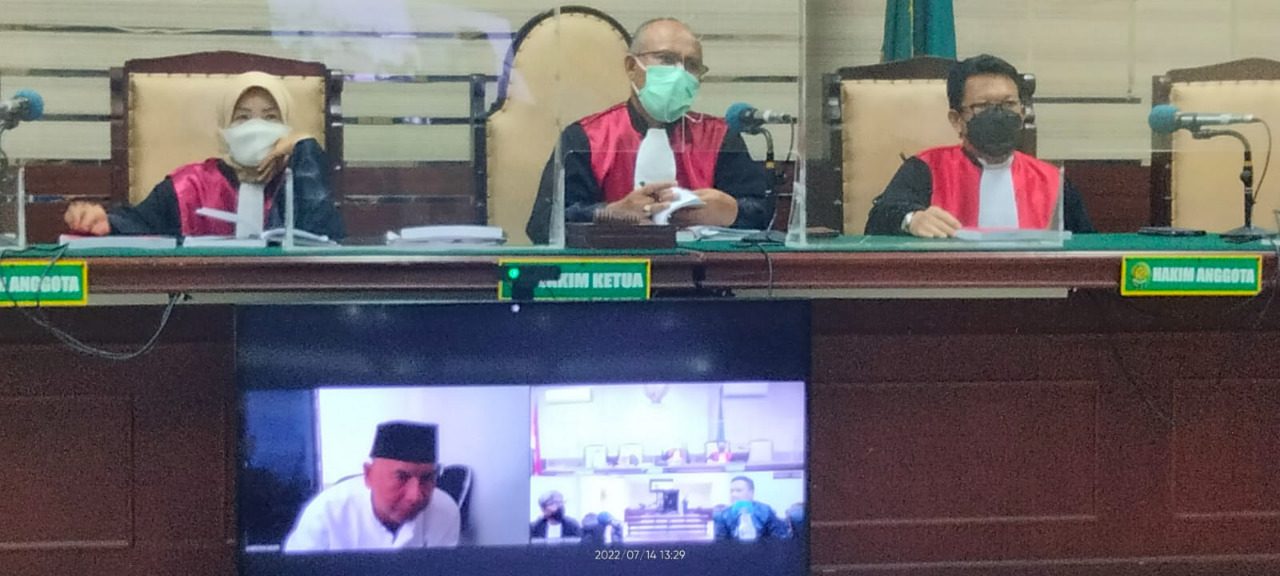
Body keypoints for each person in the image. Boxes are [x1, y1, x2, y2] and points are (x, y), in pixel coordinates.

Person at [525, 17, 771, 243]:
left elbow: (764, 217)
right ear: (631, 67)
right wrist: (608, 213)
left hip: (697, 271)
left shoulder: (719, 137)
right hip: (610, 271)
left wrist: (731, 212)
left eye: (692, 65)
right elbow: (542, 224)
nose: (680, 73)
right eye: (666, 59)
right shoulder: (587, 137)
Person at [63, 71, 345, 240]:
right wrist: (105, 222)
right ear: (224, 128)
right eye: (242, 117)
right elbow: (139, 224)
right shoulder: (191, 187)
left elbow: (324, 241)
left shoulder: (297, 178)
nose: (256, 127)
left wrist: (304, 148)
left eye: (271, 117)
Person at [864, 54, 1094, 237]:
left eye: (1009, 104)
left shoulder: (1052, 181)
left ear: (1022, 112)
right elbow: (878, 220)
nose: (998, 115)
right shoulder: (926, 169)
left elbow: (1087, 248)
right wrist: (912, 219)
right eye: (983, 106)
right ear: (957, 120)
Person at [283, 421, 460, 552]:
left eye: (427, 478)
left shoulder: (445, 510)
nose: (415, 496)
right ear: (369, 475)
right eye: (401, 477)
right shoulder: (327, 512)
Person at [713, 476, 790, 541]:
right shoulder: (723, 515)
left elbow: (779, 538)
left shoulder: (765, 511)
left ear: (751, 493)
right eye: (731, 491)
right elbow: (721, 543)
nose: (733, 494)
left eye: (738, 490)